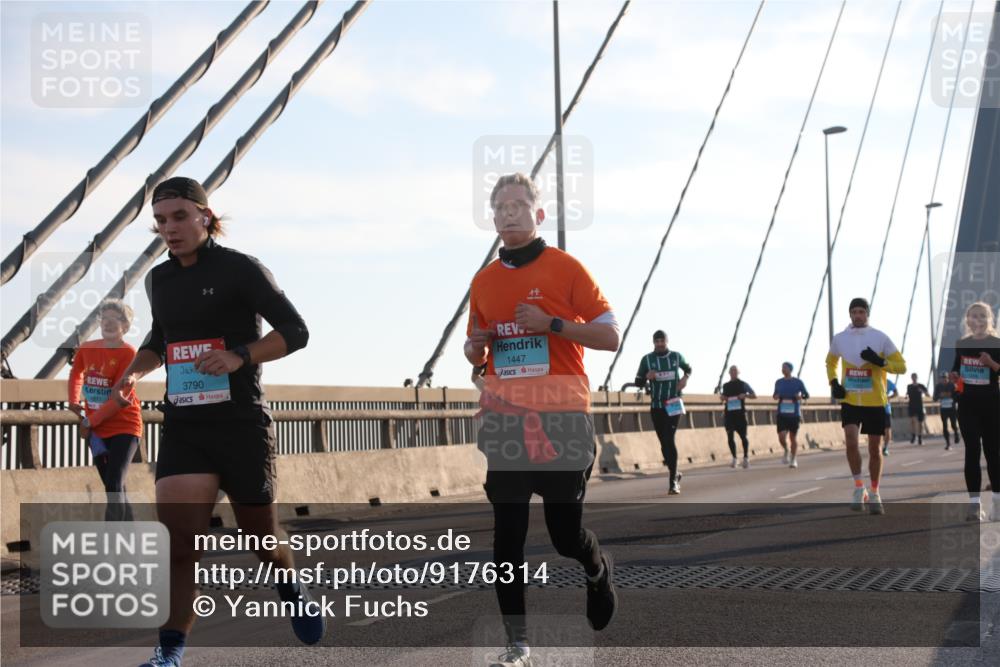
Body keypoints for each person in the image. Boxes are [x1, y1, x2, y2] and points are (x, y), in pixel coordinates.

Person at [113, 177, 318, 667]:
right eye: (161, 221)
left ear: (205, 216)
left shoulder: (241, 269)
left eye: (180, 216)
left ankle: (288, 581)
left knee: (261, 540)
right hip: (186, 426)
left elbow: (296, 331)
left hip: (241, 424)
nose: (170, 228)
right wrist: (135, 369)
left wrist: (239, 356)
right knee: (179, 546)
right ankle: (169, 653)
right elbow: (162, 337)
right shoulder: (158, 280)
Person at [466, 173, 619, 667]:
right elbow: (477, 347)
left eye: (518, 204)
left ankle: (596, 570)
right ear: (493, 219)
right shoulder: (484, 280)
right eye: (500, 206)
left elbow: (609, 335)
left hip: (562, 422)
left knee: (562, 535)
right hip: (507, 422)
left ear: (538, 215)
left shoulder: (566, 268)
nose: (509, 212)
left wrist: (552, 324)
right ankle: (517, 643)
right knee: (506, 537)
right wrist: (475, 349)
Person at [827, 297, 905, 515]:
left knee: (874, 448)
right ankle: (858, 487)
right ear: (850, 314)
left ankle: (875, 491)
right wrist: (834, 383)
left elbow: (902, 366)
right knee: (851, 442)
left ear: (867, 314)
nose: (858, 315)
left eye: (862, 311)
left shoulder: (880, 338)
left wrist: (880, 362)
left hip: (875, 401)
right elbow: (830, 362)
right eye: (854, 312)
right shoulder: (840, 339)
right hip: (851, 400)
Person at [68, 298, 143, 521]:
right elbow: (76, 373)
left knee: (114, 484)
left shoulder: (129, 354)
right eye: (105, 318)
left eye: (116, 319)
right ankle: (130, 541)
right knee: (114, 488)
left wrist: (90, 421)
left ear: (125, 326)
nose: (108, 323)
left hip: (125, 426)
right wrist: (74, 401)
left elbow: (118, 399)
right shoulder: (87, 348)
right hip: (98, 431)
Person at [949, 302, 1000, 521]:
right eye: (974, 316)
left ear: (989, 319)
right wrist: (953, 378)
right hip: (968, 405)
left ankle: (997, 505)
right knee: (972, 451)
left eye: (982, 316)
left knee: (993, 454)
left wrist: (991, 363)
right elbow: (956, 371)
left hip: (992, 405)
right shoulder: (961, 344)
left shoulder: (996, 343)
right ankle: (974, 507)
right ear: (968, 320)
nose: (978, 320)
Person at [635, 330, 692, 493]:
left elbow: (689, 368)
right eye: (657, 341)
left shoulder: (676, 357)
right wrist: (647, 376)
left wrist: (684, 378)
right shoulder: (647, 359)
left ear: (667, 341)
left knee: (669, 438)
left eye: (662, 341)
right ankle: (675, 472)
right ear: (653, 343)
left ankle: (673, 480)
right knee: (663, 443)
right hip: (657, 406)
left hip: (673, 403)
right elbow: (638, 381)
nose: (660, 344)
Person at [773, 362, 809, 468]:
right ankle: (786, 450)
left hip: (794, 414)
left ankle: (793, 459)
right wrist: (776, 396)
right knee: (781, 437)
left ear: (790, 369)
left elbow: (806, 394)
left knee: (793, 438)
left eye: (784, 368)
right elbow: (775, 395)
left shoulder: (798, 382)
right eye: (782, 367)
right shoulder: (778, 382)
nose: (782, 369)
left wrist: (800, 396)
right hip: (782, 413)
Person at [719, 365, 756, 468]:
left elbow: (754, 395)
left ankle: (746, 458)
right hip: (729, 415)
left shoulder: (743, 384)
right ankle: (735, 458)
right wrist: (722, 398)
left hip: (740, 414)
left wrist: (745, 395)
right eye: (731, 371)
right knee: (730, 436)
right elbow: (723, 397)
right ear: (729, 373)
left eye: (735, 371)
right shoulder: (726, 385)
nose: (733, 372)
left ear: (738, 372)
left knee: (743, 437)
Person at [933, 371, 960, 450]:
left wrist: (951, 396)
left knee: (953, 425)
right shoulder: (938, 386)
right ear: (940, 379)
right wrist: (939, 396)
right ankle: (948, 444)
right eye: (942, 378)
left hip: (952, 408)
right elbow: (934, 398)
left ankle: (956, 433)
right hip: (943, 408)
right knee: (944, 426)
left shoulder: (952, 385)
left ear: (948, 378)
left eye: (945, 378)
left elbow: (958, 395)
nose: (944, 380)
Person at [906, 373, 930, 445]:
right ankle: (913, 435)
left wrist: (922, 391)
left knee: (920, 423)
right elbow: (907, 394)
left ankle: (920, 437)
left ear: (917, 378)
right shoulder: (909, 386)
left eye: (915, 377)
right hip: (911, 406)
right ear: (911, 378)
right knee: (912, 421)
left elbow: (928, 394)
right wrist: (906, 397)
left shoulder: (921, 386)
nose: (914, 378)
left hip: (920, 406)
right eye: (912, 377)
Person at [882, 378, 898, 456]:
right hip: (873, 408)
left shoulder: (887, 381)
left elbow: (896, 392)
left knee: (887, 430)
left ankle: (885, 447)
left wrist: (889, 398)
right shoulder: (871, 378)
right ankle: (877, 447)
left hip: (885, 409)